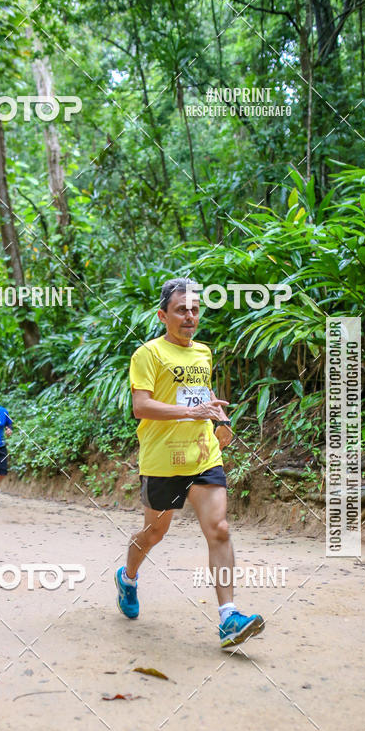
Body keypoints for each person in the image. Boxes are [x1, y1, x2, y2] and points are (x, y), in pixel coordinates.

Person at [114, 278, 265, 649]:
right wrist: (189, 411)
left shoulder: (203, 353)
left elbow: (204, 395)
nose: (190, 316)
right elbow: (141, 406)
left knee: (220, 529)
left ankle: (229, 617)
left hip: (203, 455)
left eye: (195, 309)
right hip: (163, 460)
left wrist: (218, 419)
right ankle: (128, 576)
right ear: (163, 314)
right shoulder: (147, 354)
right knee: (154, 534)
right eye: (182, 310)